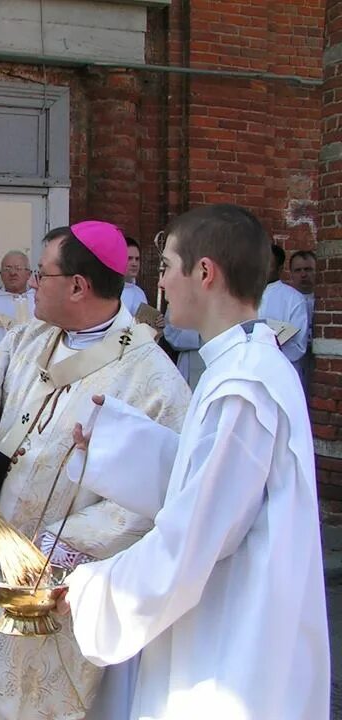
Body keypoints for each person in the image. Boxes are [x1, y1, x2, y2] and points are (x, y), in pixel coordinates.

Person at [0, 221, 190, 720]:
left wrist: (57, 552)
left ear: (78, 286)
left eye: (42, 275)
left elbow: (155, 498)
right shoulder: (32, 337)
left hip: (56, 584)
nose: (32, 285)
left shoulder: (153, 380)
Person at [60, 204, 329, 719]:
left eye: (166, 267)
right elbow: (213, 481)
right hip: (232, 613)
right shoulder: (243, 363)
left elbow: (199, 533)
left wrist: (95, 589)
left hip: (234, 635)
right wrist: (116, 445)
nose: (159, 284)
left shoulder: (243, 387)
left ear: (204, 273)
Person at [258, 243, 308, 375]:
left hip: (281, 371)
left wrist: (270, 342)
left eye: (268, 264)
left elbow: (299, 347)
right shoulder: (245, 295)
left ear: (280, 269)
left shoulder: (294, 299)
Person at [289, 249, 316, 390]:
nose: (303, 274)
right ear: (291, 274)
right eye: (298, 270)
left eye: (308, 269)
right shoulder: (286, 301)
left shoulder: (327, 300)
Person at [120, 237, 148, 316]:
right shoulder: (108, 292)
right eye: (129, 258)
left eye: (137, 259)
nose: (134, 263)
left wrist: (156, 322)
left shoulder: (140, 293)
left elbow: (145, 323)